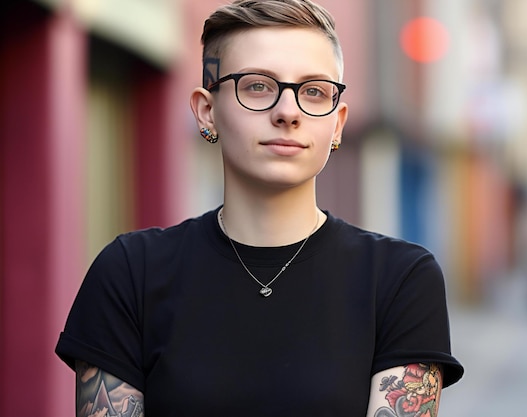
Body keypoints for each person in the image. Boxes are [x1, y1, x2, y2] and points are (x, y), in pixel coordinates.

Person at [55, 0, 464, 416]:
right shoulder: (128, 273)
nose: (288, 112)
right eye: (257, 86)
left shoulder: (401, 279)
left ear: (337, 123)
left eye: (314, 91)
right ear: (206, 111)